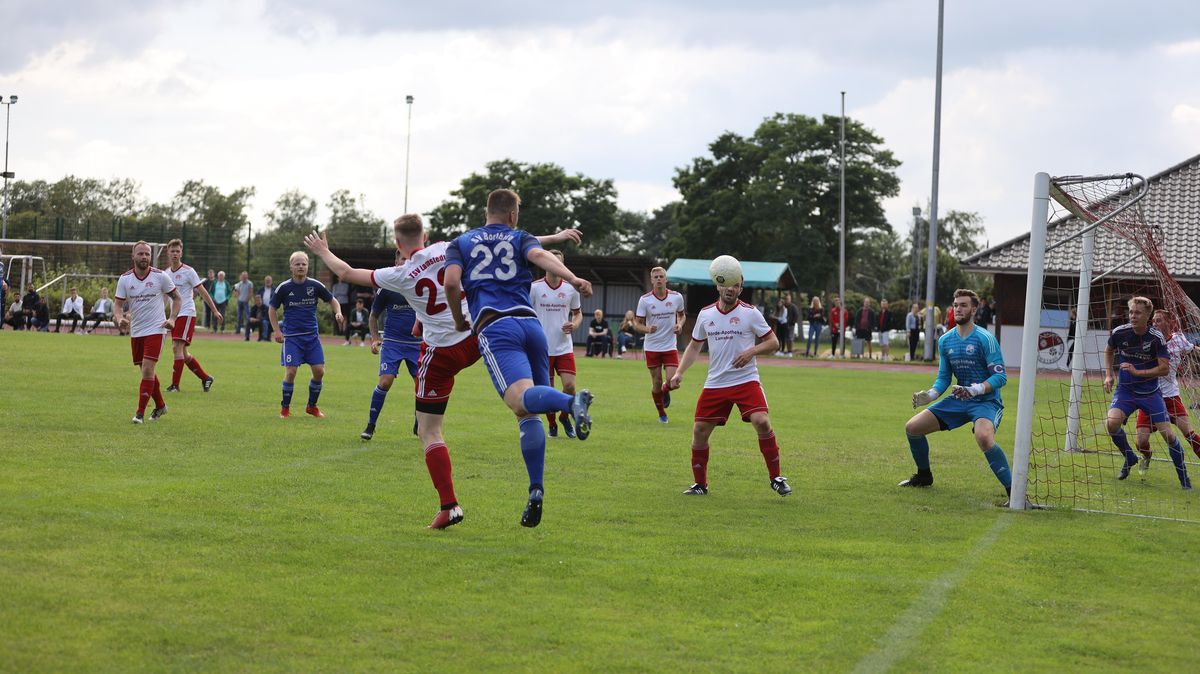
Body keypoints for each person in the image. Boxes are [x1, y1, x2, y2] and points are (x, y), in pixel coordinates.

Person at [442, 189, 595, 529]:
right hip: (532, 326)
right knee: (531, 410)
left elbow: (451, 282)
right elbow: (541, 255)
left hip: (497, 327)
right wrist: (572, 278)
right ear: (512, 215)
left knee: (519, 401)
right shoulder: (519, 237)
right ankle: (535, 491)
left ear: (487, 211)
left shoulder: (461, 242)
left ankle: (572, 404)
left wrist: (457, 318)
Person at [667, 272, 792, 498]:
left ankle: (776, 478)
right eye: (727, 285)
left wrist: (751, 351)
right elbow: (694, 347)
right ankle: (700, 485)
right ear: (718, 286)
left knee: (762, 422)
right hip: (716, 382)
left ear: (740, 289)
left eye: (736, 286)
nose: (731, 289)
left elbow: (773, 342)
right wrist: (679, 372)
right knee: (699, 431)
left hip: (746, 379)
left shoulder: (750, 313)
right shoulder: (706, 315)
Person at [901, 289, 1012, 500]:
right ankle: (924, 476)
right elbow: (944, 378)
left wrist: (975, 389)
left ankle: (1013, 492)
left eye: (963, 305)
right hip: (959, 399)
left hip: (986, 401)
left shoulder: (986, 339)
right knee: (913, 428)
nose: (958, 309)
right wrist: (931, 395)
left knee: (983, 437)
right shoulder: (945, 340)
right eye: (955, 305)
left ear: (974, 309)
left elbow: (1000, 377)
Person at [1104, 297, 1191, 488]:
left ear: (1147, 315)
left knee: (1168, 435)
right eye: (1131, 312)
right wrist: (1109, 375)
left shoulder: (1156, 337)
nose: (1133, 316)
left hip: (1151, 393)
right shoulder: (1120, 332)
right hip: (1125, 392)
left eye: (1138, 313)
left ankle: (1184, 479)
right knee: (1111, 423)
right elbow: (1109, 350)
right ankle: (1130, 457)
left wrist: (1138, 372)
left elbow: (1164, 369)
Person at [269, 251, 344, 419]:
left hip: (312, 338)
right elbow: (272, 309)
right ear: (291, 267)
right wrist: (277, 330)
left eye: (303, 264)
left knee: (319, 371)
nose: (301, 266)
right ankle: (285, 408)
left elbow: (333, 300)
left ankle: (312, 406)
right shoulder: (284, 287)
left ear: (308, 266)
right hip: (293, 338)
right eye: (297, 264)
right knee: (291, 372)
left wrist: (338, 312)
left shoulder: (315, 285)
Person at [114, 241, 182, 423]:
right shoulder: (125, 279)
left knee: (147, 368)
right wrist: (119, 318)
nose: (144, 257)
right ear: (133, 256)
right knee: (146, 371)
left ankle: (139, 414)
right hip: (136, 331)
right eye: (141, 254)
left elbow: (177, 298)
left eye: (147, 254)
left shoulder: (160, 276)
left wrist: (172, 318)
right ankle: (160, 406)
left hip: (157, 329)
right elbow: (118, 304)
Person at [359, 249, 422, 442]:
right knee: (385, 381)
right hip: (393, 343)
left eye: (409, 259)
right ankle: (370, 425)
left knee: (423, 386)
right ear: (395, 261)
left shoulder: (421, 285)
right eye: (402, 258)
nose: (405, 262)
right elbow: (373, 316)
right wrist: (375, 337)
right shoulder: (387, 286)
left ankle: (419, 421)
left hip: (417, 344)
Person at [1135, 310, 1200, 472]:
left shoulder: (1179, 340)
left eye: (1159, 321)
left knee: (1190, 435)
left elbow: (1193, 350)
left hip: (1171, 397)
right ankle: (1147, 455)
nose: (1155, 324)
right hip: (1150, 397)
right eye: (1154, 321)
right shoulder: (1147, 340)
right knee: (1141, 442)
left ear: (1169, 323)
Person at [531, 250, 583, 437]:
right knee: (548, 391)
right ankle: (552, 424)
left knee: (569, 386)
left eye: (558, 262)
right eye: (551, 261)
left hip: (564, 346)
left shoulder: (570, 289)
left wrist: (574, 324)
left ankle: (563, 416)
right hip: (541, 348)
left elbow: (577, 313)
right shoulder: (535, 288)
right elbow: (526, 313)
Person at [162, 239, 221, 393]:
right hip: (174, 316)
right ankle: (206, 378)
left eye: (177, 251)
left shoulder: (189, 271)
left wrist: (214, 310)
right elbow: (164, 298)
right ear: (168, 252)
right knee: (183, 352)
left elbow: (202, 292)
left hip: (187, 313)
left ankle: (175, 386)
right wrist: (160, 314)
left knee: (176, 348)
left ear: (181, 253)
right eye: (172, 251)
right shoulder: (166, 274)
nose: (175, 254)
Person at [635, 266, 685, 423]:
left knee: (673, 382)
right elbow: (637, 324)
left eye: (661, 276)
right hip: (652, 347)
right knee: (656, 382)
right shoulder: (645, 300)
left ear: (666, 279)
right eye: (655, 277)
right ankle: (662, 413)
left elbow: (682, 316)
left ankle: (666, 389)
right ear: (651, 280)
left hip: (669, 346)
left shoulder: (676, 297)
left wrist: (680, 325)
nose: (658, 279)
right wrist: (647, 329)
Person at [332, 276, 353, 344]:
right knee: (338, 316)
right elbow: (334, 294)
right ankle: (340, 331)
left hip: (345, 302)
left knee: (345, 316)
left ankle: (344, 330)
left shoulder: (346, 285)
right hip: (338, 302)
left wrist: (338, 293)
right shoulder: (335, 285)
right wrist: (339, 294)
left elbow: (345, 293)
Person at [234, 271, 255, 340]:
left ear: (247, 276)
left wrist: (247, 299)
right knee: (239, 316)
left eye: (245, 276)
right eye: (243, 276)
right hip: (240, 301)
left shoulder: (249, 283)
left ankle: (248, 331)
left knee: (248, 317)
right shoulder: (240, 283)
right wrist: (238, 298)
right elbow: (237, 291)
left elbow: (251, 292)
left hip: (246, 302)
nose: (244, 277)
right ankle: (238, 330)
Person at [259, 275, 276, 341]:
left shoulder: (275, 290)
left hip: (272, 309)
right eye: (266, 281)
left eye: (269, 281)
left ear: (271, 281)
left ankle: (268, 338)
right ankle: (263, 338)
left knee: (271, 323)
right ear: (264, 281)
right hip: (263, 310)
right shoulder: (261, 289)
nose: (268, 282)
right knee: (264, 322)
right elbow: (257, 298)